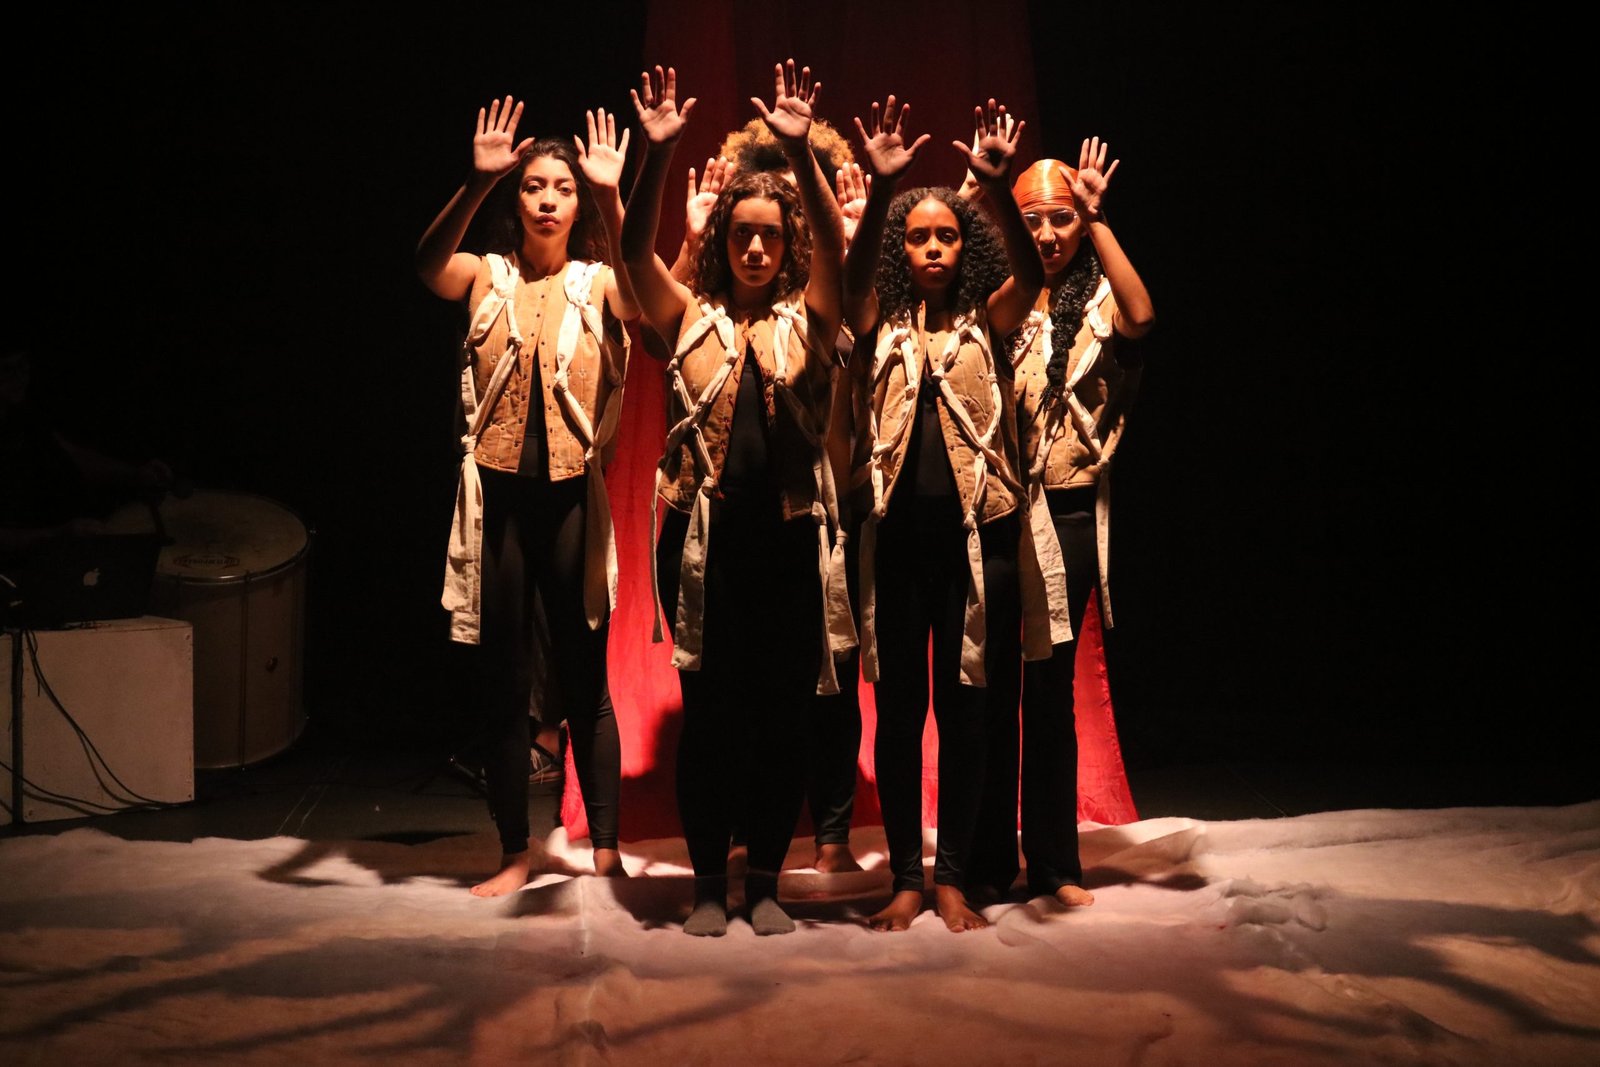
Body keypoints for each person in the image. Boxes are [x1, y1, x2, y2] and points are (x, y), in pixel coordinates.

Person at [622, 62, 850, 936]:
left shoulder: (812, 318)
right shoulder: (689, 317)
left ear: (787, 245)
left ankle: (765, 883)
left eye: (770, 236)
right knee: (712, 714)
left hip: (788, 538)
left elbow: (840, 253)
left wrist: (804, 157)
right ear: (723, 240)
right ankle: (708, 882)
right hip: (701, 541)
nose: (756, 248)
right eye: (742, 234)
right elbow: (637, 254)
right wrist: (656, 155)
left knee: (783, 714)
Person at [416, 98, 636, 896]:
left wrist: (615, 196)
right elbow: (427, 265)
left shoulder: (602, 279)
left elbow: (647, 298)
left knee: (585, 681)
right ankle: (516, 850)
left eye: (563, 187)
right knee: (504, 682)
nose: (547, 197)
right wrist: (475, 184)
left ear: (579, 202)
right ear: (517, 197)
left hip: (575, 499)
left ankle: (604, 848)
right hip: (500, 505)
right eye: (534, 184)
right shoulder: (487, 274)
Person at [843, 97, 1045, 932]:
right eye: (918, 236)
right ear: (900, 247)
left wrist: (993, 192)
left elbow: (1031, 280)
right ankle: (904, 876)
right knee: (897, 717)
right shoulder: (878, 318)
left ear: (967, 248)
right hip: (895, 542)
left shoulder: (987, 319)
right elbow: (846, 287)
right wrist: (882, 191)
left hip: (978, 541)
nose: (932, 247)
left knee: (967, 712)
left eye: (947, 235)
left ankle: (953, 875)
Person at [999, 141, 1154, 908]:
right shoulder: (998, 303)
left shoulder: (1096, 304)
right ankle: (988, 858)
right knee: (991, 686)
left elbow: (1143, 313)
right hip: (996, 510)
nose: (1050, 234)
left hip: (1064, 507)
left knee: (1048, 688)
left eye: (1061, 219)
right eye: (1036, 220)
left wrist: (1098, 222)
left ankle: (1054, 862)